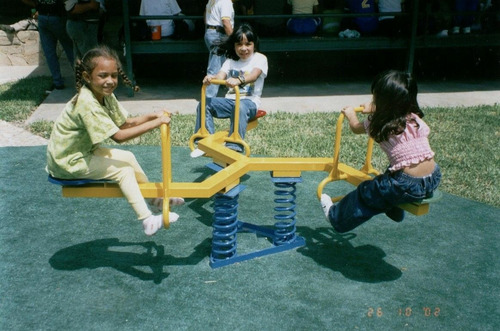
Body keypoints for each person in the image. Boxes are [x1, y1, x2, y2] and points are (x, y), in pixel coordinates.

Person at [46, 45, 184, 236]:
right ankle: (147, 220)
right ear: (87, 77)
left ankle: (154, 199)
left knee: (127, 157)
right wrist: (157, 123)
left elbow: (126, 123)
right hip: (67, 161)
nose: (110, 81)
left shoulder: (104, 95)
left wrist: (154, 116)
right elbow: (119, 136)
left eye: (114, 75)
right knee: (123, 171)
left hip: (82, 151)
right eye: (103, 75)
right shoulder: (87, 103)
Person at [321, 70, 441, 233]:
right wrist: (375, 108)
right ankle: (394, 209)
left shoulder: (378, 123)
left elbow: (356, 128)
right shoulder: (414, 118)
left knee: (367, 192)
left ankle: (335, 216)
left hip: (406, 184)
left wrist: (351, 115)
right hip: (433, 177)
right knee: (391, 174)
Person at [191, 23, 268, 157]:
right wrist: (211, 78)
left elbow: (254, 75)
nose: (243, 48)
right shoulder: (230, 61)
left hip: (248, 104)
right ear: (234, 45)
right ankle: (204, 140)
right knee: (204, 103)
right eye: (239, 44)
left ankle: (234, 146)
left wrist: (239, 80)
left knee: (240, 106)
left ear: (254, 45)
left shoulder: (260, 58)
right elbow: (220, 75)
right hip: (230, 102)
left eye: (248, 44)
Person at [20, 0, 74, 90]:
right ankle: (81, 79)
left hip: (43, 16)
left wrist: (36, 5)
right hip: (58, 16)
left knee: (49, 52)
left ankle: (57, 82)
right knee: (70, 49)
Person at [203, 0, 235, 98]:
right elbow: (225, 22)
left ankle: (226, 92)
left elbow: (205, 15)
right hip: (218, 34)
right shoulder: (226, 2)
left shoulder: (212, 0)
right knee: (215, 68)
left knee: (222, 64)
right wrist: (234, 40)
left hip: (210, 31)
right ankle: (209, 99)